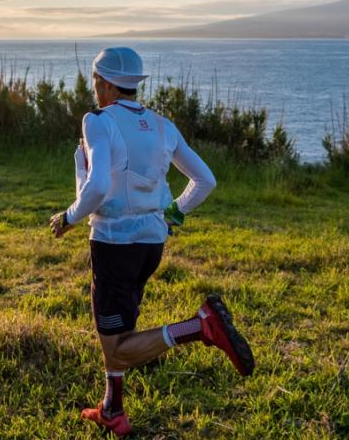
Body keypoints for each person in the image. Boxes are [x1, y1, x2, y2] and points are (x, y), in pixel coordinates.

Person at [49, 46, 255, 437]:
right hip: (151, 245)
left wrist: (68, 218)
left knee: (117, 345)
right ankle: (113, 410)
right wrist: (175, 212)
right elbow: (205, 180)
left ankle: (199, 327)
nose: (95, 90)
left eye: (96, 83)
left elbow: (97, 188)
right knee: (121, 327)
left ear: (105, 83)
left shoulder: (97, 121)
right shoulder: (163, 125)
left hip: (113, 246)